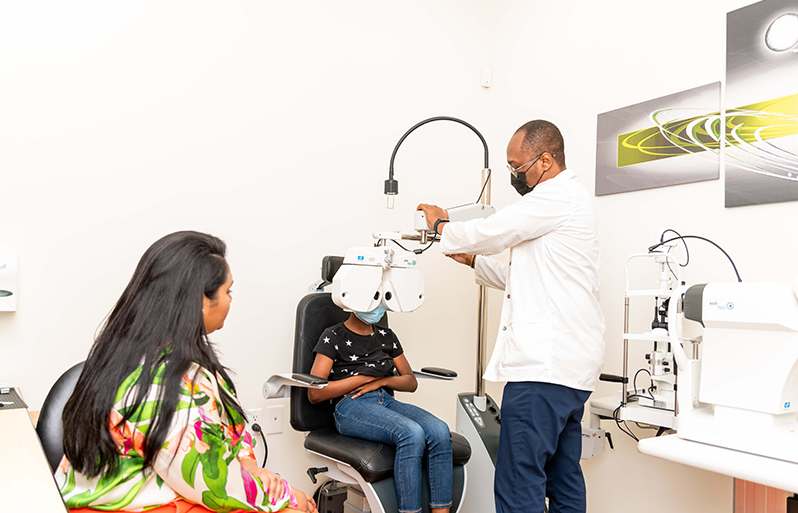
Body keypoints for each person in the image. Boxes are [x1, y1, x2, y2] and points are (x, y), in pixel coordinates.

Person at [417, 120, 605, 513]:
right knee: (563, 474)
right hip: (570, 371)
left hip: (543, 371)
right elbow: (526, 276)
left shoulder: (555, 196)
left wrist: (441, 225)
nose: (514, 175)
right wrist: (474, 262)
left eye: (517, 167)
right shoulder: (571, 201)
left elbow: (495, 229)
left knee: (520, 477)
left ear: (546, 160)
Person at [57, 231, 317, 513]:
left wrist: (249, 464)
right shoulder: (161, 383)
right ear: (201, 302)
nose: (231, 300)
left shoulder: (144, 353)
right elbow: (211, 481)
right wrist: (289, 497)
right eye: (227, 291)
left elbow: (231, 423)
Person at [307, 307, 453, 513]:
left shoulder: (387, 336)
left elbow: (410, 382)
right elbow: (315, 394)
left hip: (385, 400)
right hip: (350, 405)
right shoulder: (333, 336)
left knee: (439, 430)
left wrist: (381, 381)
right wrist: (365, 378)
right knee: (411, 433)